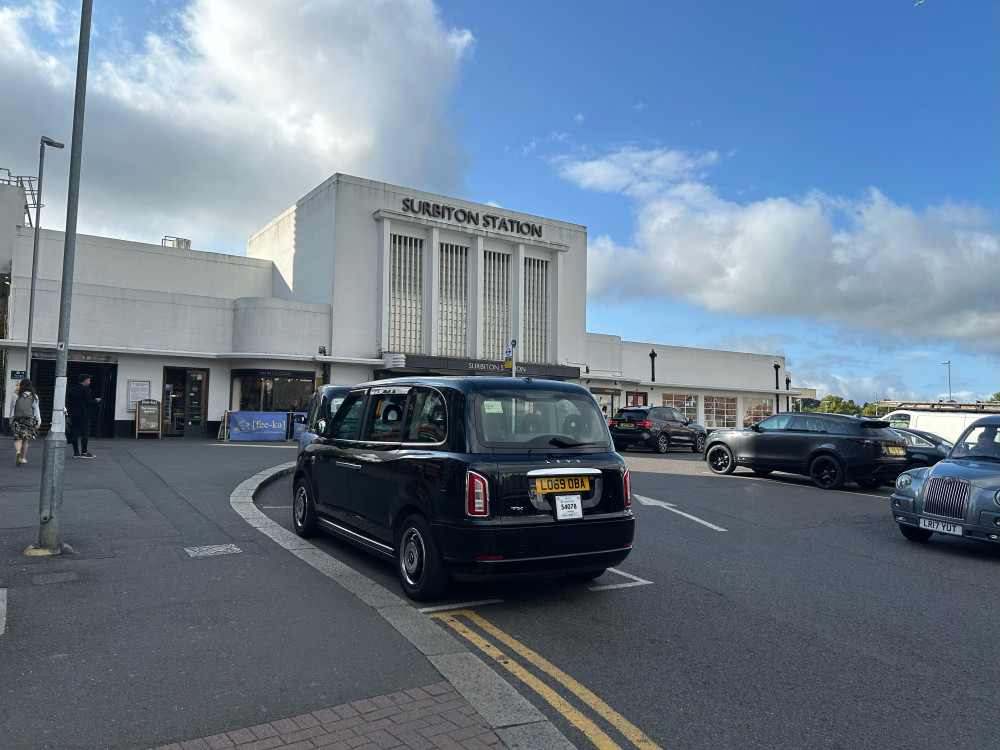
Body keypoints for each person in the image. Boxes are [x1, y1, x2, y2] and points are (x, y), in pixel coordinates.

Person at [66, 373, 101, 458]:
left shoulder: (72, 390)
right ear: (85, 380)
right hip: (85, 414)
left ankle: (76, 452)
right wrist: (96, 400)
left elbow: (69, 404)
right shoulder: (86, 390)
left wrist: (69, 415)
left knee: (75, 432)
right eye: (89, 380)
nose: (89, 382)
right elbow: (88, 402)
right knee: (85, 433)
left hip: (74, 414)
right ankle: (84, 452)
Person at [9, 378, 41, 466]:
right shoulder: (34, 396)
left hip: (17, 419)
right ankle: (23, 458)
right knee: (25, 439)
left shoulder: (16, 395)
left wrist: (11, 418)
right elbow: (36, 409)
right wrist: (38, 421)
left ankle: (18, 452)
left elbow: (12, 407)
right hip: (29, 420)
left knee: (18, 438)